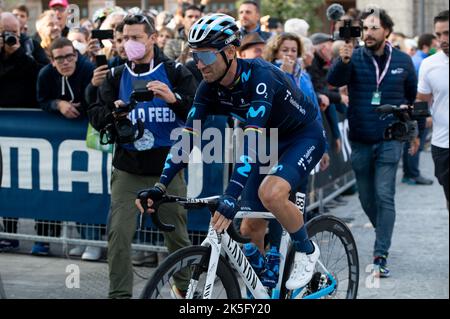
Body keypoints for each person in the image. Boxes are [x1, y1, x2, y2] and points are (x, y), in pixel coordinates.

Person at [136, 13, 327, 291]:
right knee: (249, 230)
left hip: (303, 136)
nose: (199, 64)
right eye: (194, 55)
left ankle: (307, 251)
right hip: (269, 141)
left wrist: (231, 195)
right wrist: (159, 185)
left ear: (230, 52)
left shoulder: (260, 77)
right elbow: (187, 139)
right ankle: (268, 285)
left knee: (271, 193)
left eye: (206, 56)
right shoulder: (208, 87)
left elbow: (251, 143)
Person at [88, 14, 197, 298]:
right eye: (124, 38)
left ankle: (186, 290)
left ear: (152, 38)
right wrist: (114, 112)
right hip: (127, 169)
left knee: (177, 235)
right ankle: (120, 295)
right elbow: (96, 114)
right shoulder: (114, 74)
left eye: (136, 37)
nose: (129, 44)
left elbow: (198, 111)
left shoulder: (175, 71)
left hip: (167, 170)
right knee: (119, 236)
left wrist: (173, 99)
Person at [328, 9, 418, 277]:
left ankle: (381, 254)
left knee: (384, 194)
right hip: (361, 140)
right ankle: (383, 230)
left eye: (373, 28)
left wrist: (411, 131)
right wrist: (342, 61)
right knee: (367, 198)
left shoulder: (402, 60)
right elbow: (334, 81)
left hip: (391, 138)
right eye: (364, 29)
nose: (367, 33)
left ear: (386, 31)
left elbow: (411, 97)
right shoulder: (353, 57)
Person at [34, 37, 95, 256]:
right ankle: (82, 237)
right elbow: (41, 100)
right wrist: (58, 104)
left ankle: (95, 240)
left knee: (92, 186)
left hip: (89, 136)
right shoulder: (46, 74)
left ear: (76, 55)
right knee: (70, 187)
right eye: (60, 58)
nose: (66, 62)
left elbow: (98, 98)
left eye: (70, 56)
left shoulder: (88, 69)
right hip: (62, 143)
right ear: (51, 60)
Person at [0, 12, 40, 252]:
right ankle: (6, 233)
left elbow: (41, 73)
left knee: (25, 178)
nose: (10, 37)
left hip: (26, 126)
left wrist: (19, 55)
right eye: (5, 32)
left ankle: (40, 236)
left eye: (14, 32)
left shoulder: (30, 46)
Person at [416, 10, 449, 208]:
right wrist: (414, 132)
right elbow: (422, 101)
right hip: (443, 145)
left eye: (447, 33)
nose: (442, 39)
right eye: (439, 35)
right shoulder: (429, 65)